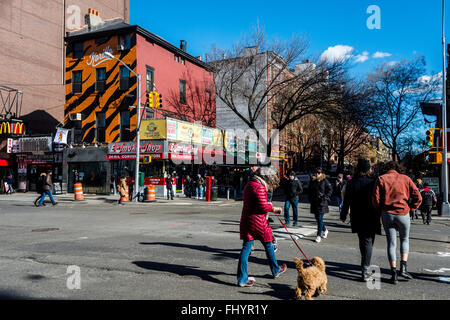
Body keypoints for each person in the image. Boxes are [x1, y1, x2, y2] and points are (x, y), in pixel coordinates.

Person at [372, 161, 422, 284]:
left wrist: (380, 210)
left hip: (387, 214)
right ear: (398, 168)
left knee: (391, 243)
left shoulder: (381, 179)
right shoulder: (406, 179)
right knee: (405, 239)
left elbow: (375, 199)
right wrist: (412, 208)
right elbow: (418, 197)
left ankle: (393, 274)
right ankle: (403, 268)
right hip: (403, 213)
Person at [237, 165, 287, 287]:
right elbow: (263, 206)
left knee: (246, 249)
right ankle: (275, 270)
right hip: (258, 222)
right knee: (268, 244)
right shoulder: (259, 187)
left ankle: (242, 279)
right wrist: (273, 208)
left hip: (247, 220)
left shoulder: (249, 184)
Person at [341, 159, 381, 281]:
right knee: (369, 241)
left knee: (363, 241)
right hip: (371, 215)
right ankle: (365, 269)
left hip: (357, 215)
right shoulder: (374, 182)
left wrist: (343, 215)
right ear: (368, 169)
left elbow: (346, 200)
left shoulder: (352, 182)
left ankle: (365, 263)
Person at [308, 167, 333, 243]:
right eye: (316, 172)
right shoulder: (312, 180)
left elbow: (330, 189)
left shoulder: (324, 180)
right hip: (314, 202)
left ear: (321, 173)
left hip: (322, 202)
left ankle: (318, 235)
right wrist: (310, 198)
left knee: (319, 218)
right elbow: (309, 190)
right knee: (318, 219)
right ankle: (325, 230)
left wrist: (325, 196)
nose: (317, 174)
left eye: (319, 173)